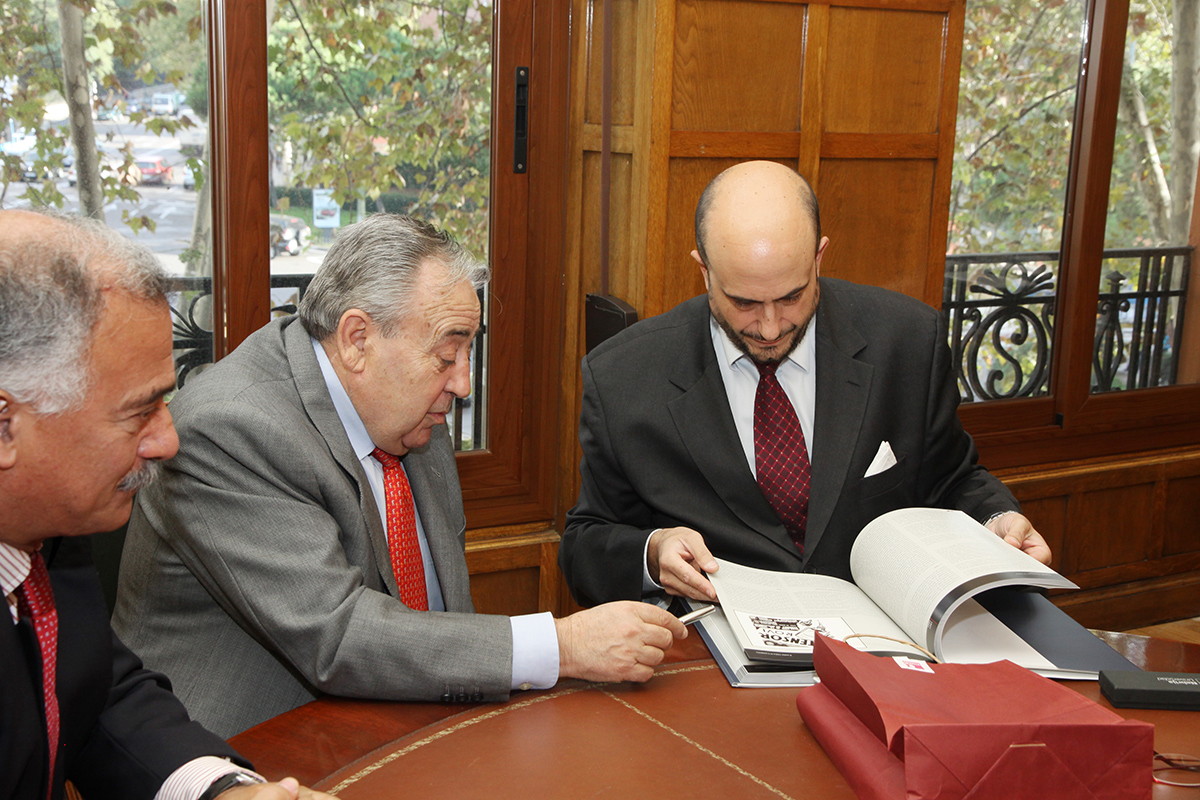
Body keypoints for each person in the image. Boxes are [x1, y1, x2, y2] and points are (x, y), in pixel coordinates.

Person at [113, 214, 687, 739]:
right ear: (357, 339)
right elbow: (336, 635)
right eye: (446, 355)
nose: (463, 384)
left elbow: (442, 611)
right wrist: (561, 645)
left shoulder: (409, 411)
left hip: (395, 723)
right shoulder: (229, 429)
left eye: (469, 351)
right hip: (246, 750)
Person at [558, 160, 1051, 607]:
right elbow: (585, 544)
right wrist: (651, 553)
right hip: (712, 665)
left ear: (818, 258)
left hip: (879, 647)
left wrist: (995, 523)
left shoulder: (907, 342)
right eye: (744, 303)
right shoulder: (623, 376)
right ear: (704, 271)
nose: (770, 328)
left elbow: (952, 480)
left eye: (792, 297)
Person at [0, 209, 335, 800]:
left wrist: (223, 791)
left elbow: (92, 689)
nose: (168, 441)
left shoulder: (46, 523)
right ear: (5, 427)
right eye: (139, 411)